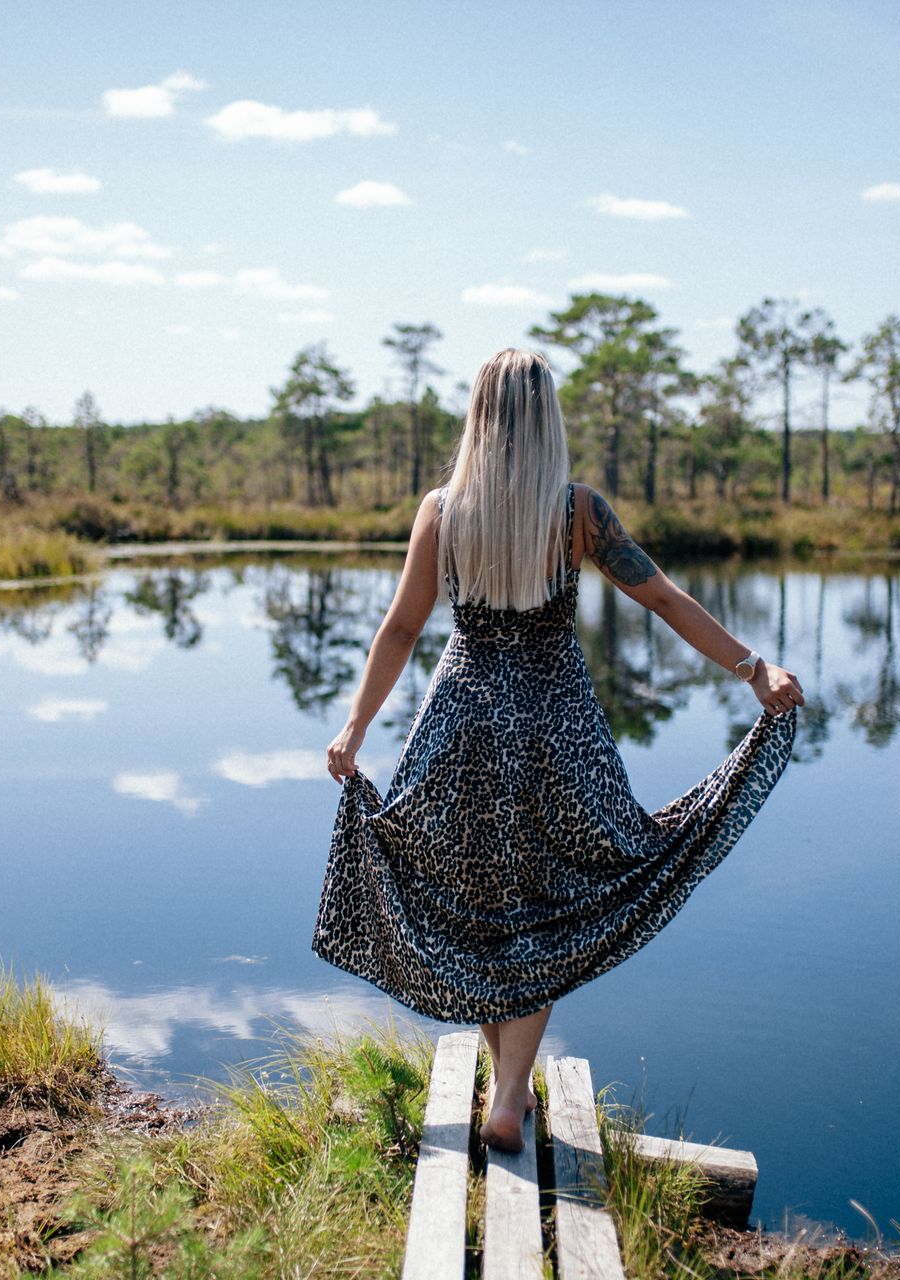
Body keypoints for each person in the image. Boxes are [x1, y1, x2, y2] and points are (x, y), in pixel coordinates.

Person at [314, 347, 803, 1154]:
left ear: (478, 416)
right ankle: (508, 1096)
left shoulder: (442, 510)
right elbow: (662, 596)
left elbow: (400, 628)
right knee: (541, 904)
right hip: (556, 728)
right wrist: (753, 667)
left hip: (461, 723)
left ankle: (505, 1090)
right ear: (548, 420)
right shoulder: (577, 511)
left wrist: (354, 728)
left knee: (480, 898)